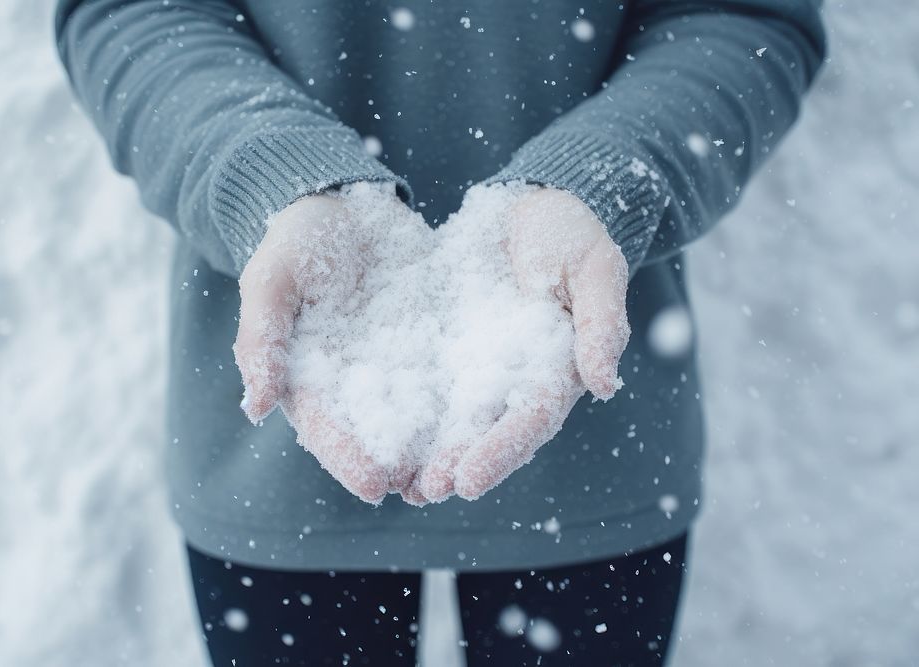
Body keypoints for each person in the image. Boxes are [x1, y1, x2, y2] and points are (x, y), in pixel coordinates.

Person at [55, 1, 825, 664]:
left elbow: (744, 17)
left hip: (587, 424)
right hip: (289, 420)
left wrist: (601, 178)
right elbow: (130, 13)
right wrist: (271, 172)